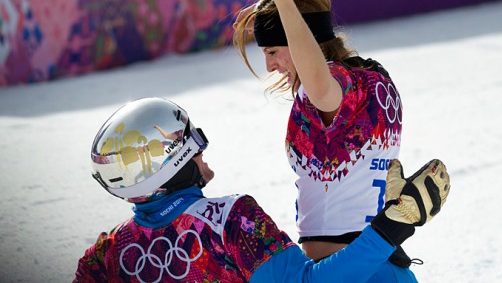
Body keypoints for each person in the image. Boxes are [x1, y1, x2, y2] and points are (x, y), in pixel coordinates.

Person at [74, 97, 450, 282]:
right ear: (170, 161)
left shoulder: (106, 255)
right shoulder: (230, 221)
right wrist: (392, 227)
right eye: (192, 141)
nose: (202, 146)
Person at [232, 0, 413, 272]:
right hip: (372, 265)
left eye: (273, 51)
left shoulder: (335, 84)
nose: (270, 66)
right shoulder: (370, 82)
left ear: (303, 38)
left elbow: (320, 85)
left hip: (352, 269)